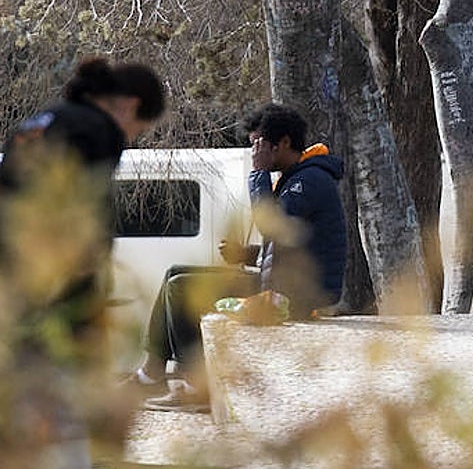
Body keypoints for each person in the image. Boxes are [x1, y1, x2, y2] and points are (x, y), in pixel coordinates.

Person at [0, 57, 166, 469]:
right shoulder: (98, 131)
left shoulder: (40, 122)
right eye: (138, 129)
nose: (130, 138)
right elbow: (84, 218)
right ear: (129, 106)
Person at [130, 103, 347, 411]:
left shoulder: (310, 180)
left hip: (298, 294)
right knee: (174, 273)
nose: (254, 152)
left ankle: (198, 386)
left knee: (182, 288)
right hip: (281, 281)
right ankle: (151, 372)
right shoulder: (299, 176)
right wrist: (248, 254)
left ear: (283, 143)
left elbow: (269, 220)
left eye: (259, 144)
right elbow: (295, 243)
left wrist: (258, 173)